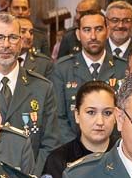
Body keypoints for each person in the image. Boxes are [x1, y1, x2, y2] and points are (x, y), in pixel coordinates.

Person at [0, 12, 61, 163]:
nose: (6, 45)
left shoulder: (42, 88)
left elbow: (50, 144)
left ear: (21, 41)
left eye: (13, 37)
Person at [49, 9, 116, 144]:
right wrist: (79, 148)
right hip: (73, 150)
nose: (93, 36)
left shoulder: (122, 68)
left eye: (98, 29)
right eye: (86, 30)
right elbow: (58, 118)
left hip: (113, 150)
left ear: (107, 31)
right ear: (78, 35)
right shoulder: (63, 69)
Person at [103, 0, 132, 77]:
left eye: (126, 21)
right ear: (106, 22)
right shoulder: (98, 50)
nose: (120, 25)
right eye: (115, 20)